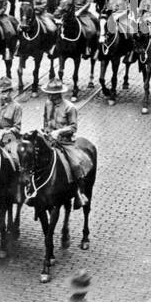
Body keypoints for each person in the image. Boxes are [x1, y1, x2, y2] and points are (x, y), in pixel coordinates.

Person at [42, 80, 89, 208]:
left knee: (76, 164)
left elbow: (73, 128)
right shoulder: (47, 104)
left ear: (59, 94)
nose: (50, 96)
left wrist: (59, 132)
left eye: (52, 94)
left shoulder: (70, 108)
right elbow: (45, 120)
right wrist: (46, 131)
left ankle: (79, 192)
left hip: (65, 142)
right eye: (49, 94)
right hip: (49, 140)